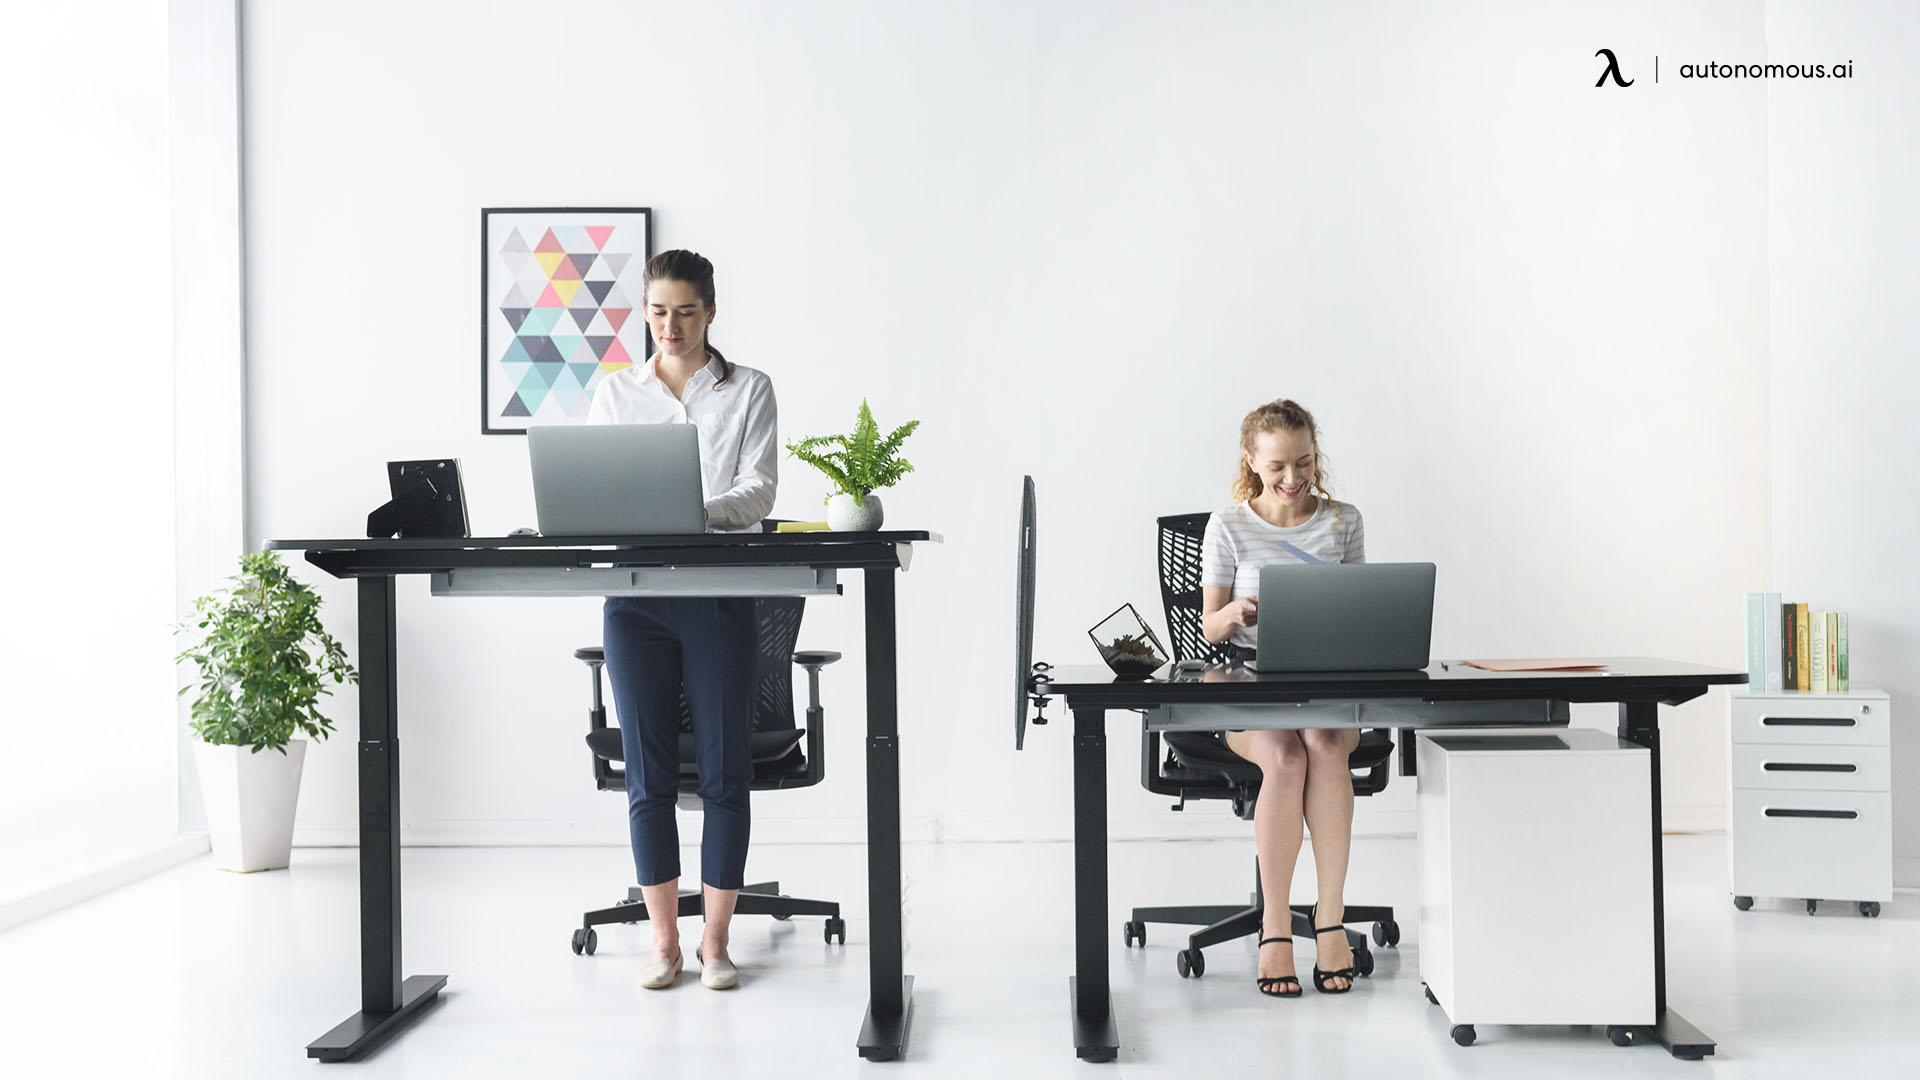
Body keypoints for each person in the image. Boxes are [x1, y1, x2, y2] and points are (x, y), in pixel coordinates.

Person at [586, 249, 778, 991]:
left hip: (719, 596)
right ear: (645, 310)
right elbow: (597, 492)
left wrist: (693, 514)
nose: (671, 325)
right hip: (635, 602)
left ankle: (716, 945)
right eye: (659, 311)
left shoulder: (749, 390)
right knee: (649, 776)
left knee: (727, 772)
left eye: (686, 312)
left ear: (712, 311)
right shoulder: (616, 393)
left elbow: (758, 491)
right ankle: (664, 944)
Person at [1199, 398, 1366, 998]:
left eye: (1303, 462)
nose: (1292, 479)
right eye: (1277, 467)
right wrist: (1233, 612)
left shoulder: (1342, 521)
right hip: (1249, 682)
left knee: (1322, 744)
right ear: (1251, 461)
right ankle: (1275, 927)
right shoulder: (1230, 525)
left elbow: (1360, 614)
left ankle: (1329, 920)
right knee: (1287, 756)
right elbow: (1205, 630)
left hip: (1327, 684)